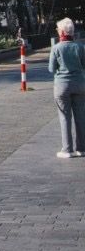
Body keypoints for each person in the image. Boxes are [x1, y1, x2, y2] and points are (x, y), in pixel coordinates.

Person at [48, 16, 85, 158]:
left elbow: (51, 69)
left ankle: (67, 150)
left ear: (62, 32)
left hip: (62, 86)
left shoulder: (56, 48)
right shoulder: (81, 47)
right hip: (80, 85)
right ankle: (81, 148)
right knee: (81, 117)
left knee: (65, 117)